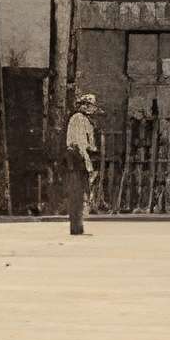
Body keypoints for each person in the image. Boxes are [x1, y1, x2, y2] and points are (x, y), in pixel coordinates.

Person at [65, 91, 99, 236]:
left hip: (80, 157)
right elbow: (81, 143)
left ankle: (78, 226)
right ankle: (76, 227)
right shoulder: (78, 119)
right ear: (84, 106)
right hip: (78, 158)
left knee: (80, 194)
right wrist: (88, 164)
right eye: (90, 105)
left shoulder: (84, 120)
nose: (92, 108)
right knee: (78, 193)